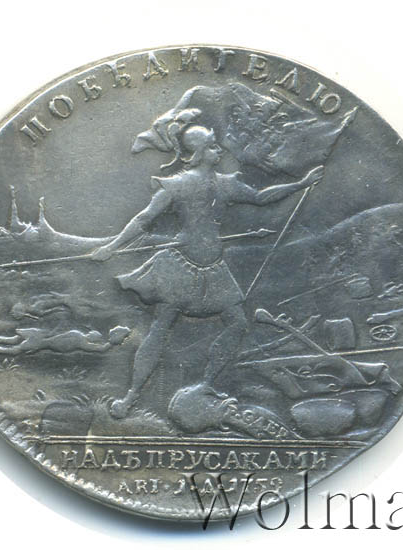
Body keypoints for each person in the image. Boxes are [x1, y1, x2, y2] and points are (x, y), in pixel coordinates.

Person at [92, 125, 323, 418]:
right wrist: (112, 247)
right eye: (213, 146)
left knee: (237, 323)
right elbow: (143, 219)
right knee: (160, 329)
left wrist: (301, 184)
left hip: (213, 269)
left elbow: (261, 197)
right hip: (179, 266)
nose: (219, 150)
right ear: (200, 152)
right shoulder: (176, 185)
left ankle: (207, 385)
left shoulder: (225, 184)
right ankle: (131, 396)